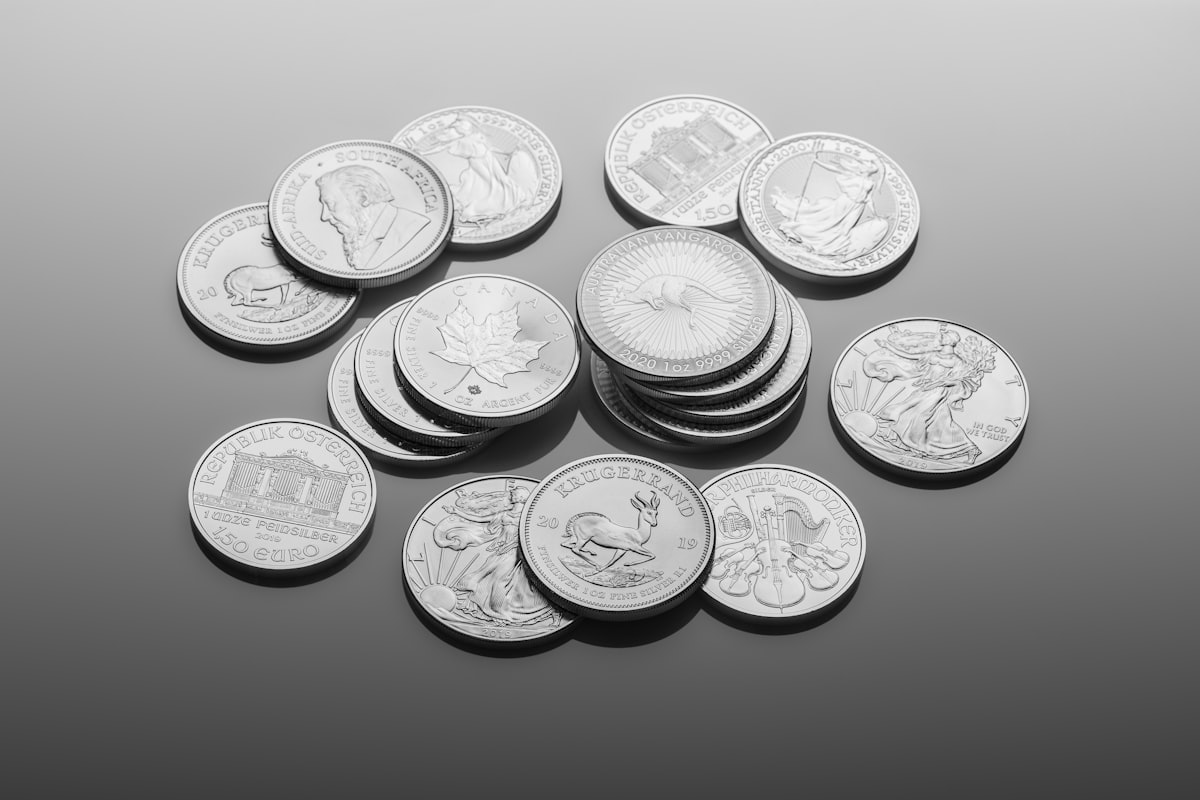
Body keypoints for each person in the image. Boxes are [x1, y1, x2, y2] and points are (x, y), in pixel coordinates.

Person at [862, 326, 984, 464]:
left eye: (944, 336)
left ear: (950, 340)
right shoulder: (933, 354)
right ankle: (969, 449)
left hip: (938, 391)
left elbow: (958, 379)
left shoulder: (957, 361)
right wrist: (889, 346)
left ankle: (917, 447)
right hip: (924, 389)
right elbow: (909, 355)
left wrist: (940, 383)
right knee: (941, 423)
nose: (940, 338)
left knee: (917, 415)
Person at [418, 115, 538, 225]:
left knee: (499, 182)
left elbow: (491, 148)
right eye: (461, 126)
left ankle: (506, 201)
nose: (463, 128)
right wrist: (423, 153)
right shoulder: (460, 141)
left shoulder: (478, 137)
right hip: (477, 166)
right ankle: (488, 206)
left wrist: (507, 153)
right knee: (482, 186)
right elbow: (441, 147)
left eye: (465, 125)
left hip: (490, 163)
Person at [771, 153, 889, 262]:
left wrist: (874, 213)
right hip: (844, 203)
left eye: (872, 170)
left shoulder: (870, 182)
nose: (870, 171)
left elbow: (869, 198)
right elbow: (835, 169)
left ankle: (829, 249)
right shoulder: (852, 175)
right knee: (828, 221)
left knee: (844, 229)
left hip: (858, 207)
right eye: (869, 168)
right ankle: (810, 238)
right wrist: (817, 162)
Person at [315, 165, 430, 271]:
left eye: (330, 204)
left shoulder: (413, 226)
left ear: (363, 198)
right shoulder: (360, 236)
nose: (324, 216)